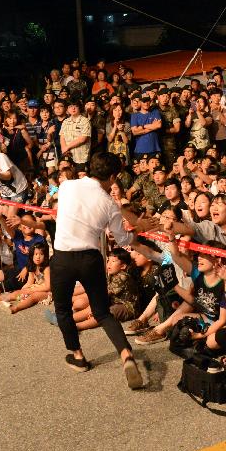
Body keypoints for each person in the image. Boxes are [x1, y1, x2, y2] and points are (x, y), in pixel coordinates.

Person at [48, 151, 153, 389]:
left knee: (62, 309)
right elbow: (123, 238)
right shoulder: (109, 204)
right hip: (90, 259)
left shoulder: (66, 187)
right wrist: (139, 227)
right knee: (103, 312)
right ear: (113, 176)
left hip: (63, 258)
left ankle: (78, 356)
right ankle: (126, 354)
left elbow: (56, 192)